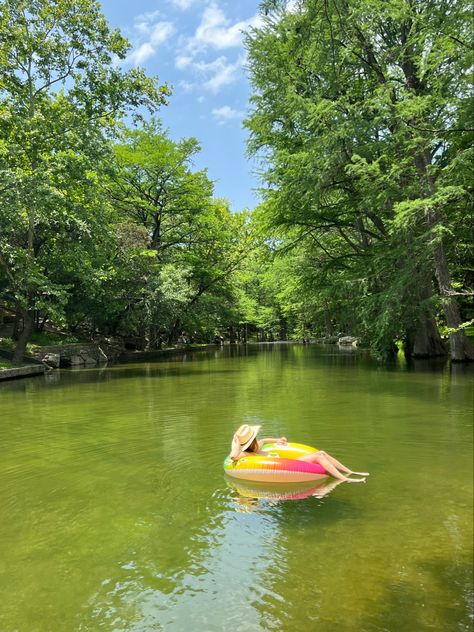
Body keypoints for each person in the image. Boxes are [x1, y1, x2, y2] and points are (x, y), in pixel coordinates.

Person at [229, 424, 368, 483]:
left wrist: (278, 439)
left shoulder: (256, 446)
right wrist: (236, 442)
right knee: (319, 456)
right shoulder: (245, 455)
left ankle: (349, 472)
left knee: (322, 453)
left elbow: (264, 440)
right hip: (288, 466)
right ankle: (344, 479)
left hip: (291, 463)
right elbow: (232, 456)